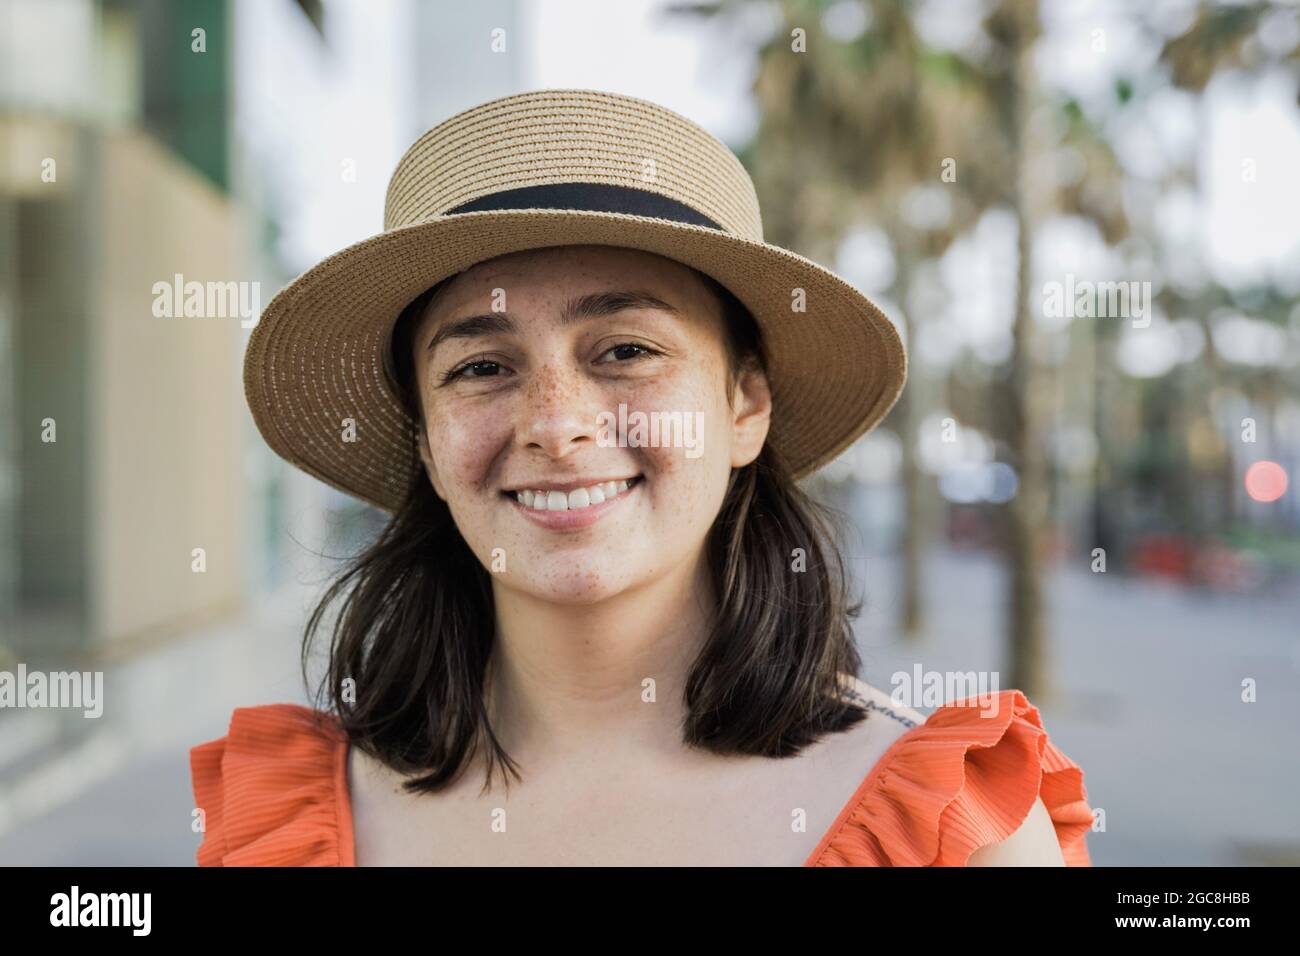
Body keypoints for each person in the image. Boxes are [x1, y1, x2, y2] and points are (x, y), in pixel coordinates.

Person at [190, 89, 1093, 866]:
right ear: (425, 440)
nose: (555, 423)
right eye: (481, 368)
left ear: (745, 406)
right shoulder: (287, 824)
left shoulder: (958, 829)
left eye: (625, 350)